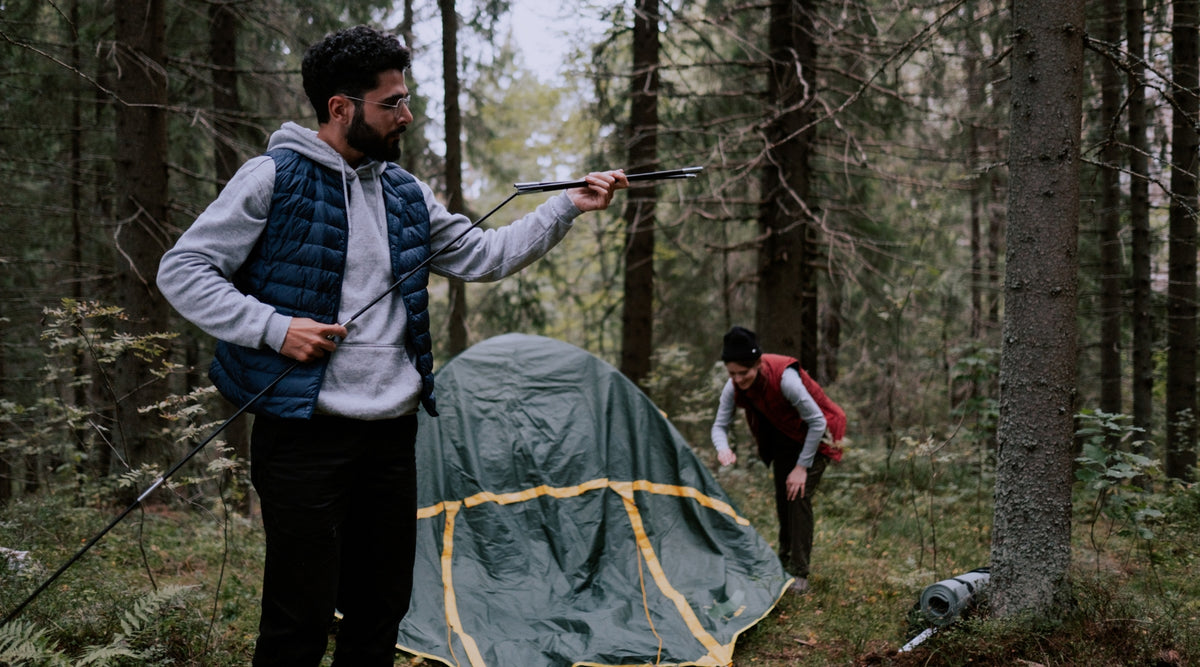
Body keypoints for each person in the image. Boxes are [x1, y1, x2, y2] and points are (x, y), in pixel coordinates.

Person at [156, 25, 627, 667]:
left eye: (406, 99)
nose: (405, 115)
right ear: (341, 107)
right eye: (392, 103)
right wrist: (275, 328)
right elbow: (183, 270)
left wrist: (567, 206)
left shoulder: (404, 192)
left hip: (390, 438)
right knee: (299, 617)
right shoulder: (273, 176)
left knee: (380, 612)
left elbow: (484, 255)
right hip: (302, 436)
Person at [710, 326, 845, 595]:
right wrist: (723, 448)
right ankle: (783, 560)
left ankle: (799, 573)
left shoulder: (786, 379)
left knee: (798, 495)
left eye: (743, 373)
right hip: (787, 437)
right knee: (784, 497)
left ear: (758, 364)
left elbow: (817, 421)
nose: (738, 379)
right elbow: (719, 426)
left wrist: (801, 467)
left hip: (821, 433)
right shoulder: (733, 385)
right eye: (732, 373)